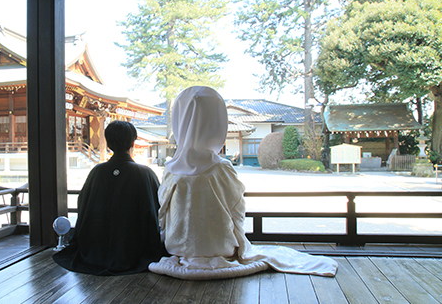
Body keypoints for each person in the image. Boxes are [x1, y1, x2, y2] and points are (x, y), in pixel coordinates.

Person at [148, 86, 338, 280]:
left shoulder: (171, 168)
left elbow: (163, 212)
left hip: (177, 245)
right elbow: (237, 208)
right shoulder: (220, 167)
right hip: (218, 245)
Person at [53, 120, 167, 275]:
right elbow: (159, 209)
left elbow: (83, 206)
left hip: (95, 249)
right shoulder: (145, 173)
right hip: (134, 249)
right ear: (132, 142)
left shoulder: (97, 172)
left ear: (108, 143)